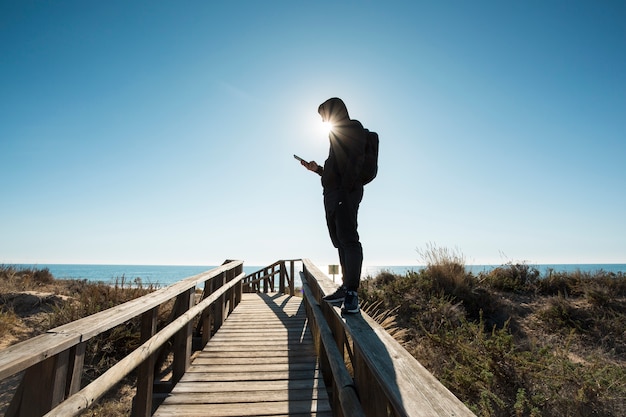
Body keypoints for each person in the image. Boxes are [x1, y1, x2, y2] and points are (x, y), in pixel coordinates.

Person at [301, 97, 367, 314]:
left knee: (349, 240)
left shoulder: (352, 128)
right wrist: (317, 169)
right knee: (339, 241)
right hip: (333, 195)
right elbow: (335, 170)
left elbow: (356, 161)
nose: (322, 121)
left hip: (343, 194)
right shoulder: (335, 135)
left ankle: (352, 294)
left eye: (323, 116)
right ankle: (345, 287)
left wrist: (346, 190)